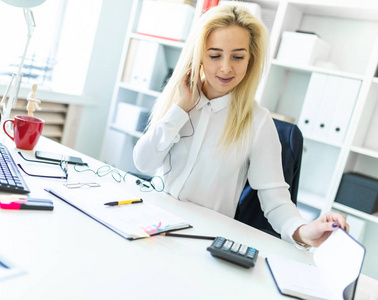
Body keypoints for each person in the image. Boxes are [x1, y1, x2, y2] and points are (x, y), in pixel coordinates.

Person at [133, 4, 348, 248]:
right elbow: (143, 163)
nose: (226, 68)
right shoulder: (179, 100)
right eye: (215, 55)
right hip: (152, 222)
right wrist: (181, 108)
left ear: (250, 60)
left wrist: (305, 231)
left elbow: (276, 201)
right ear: (199, 55)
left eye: (238, 57)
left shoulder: (258, 121)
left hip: (200, 238)